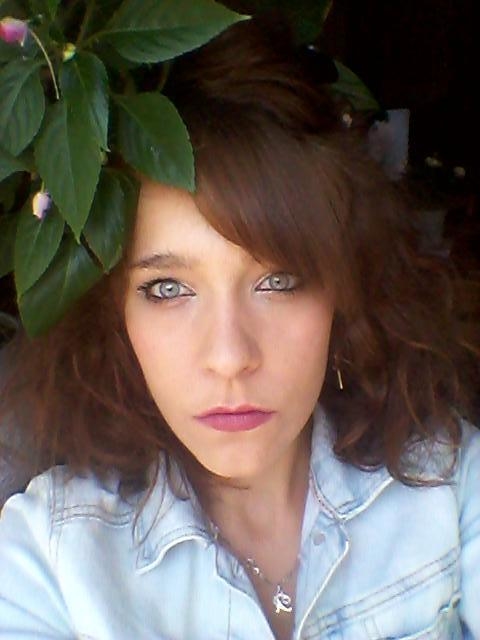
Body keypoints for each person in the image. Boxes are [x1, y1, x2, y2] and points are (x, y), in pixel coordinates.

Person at [0, 16, 479, 640]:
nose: (229, 356)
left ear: (342, 292)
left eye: (279, 281)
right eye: (167, 289)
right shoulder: (48, 565)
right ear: (116, 317)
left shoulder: (450, 486)